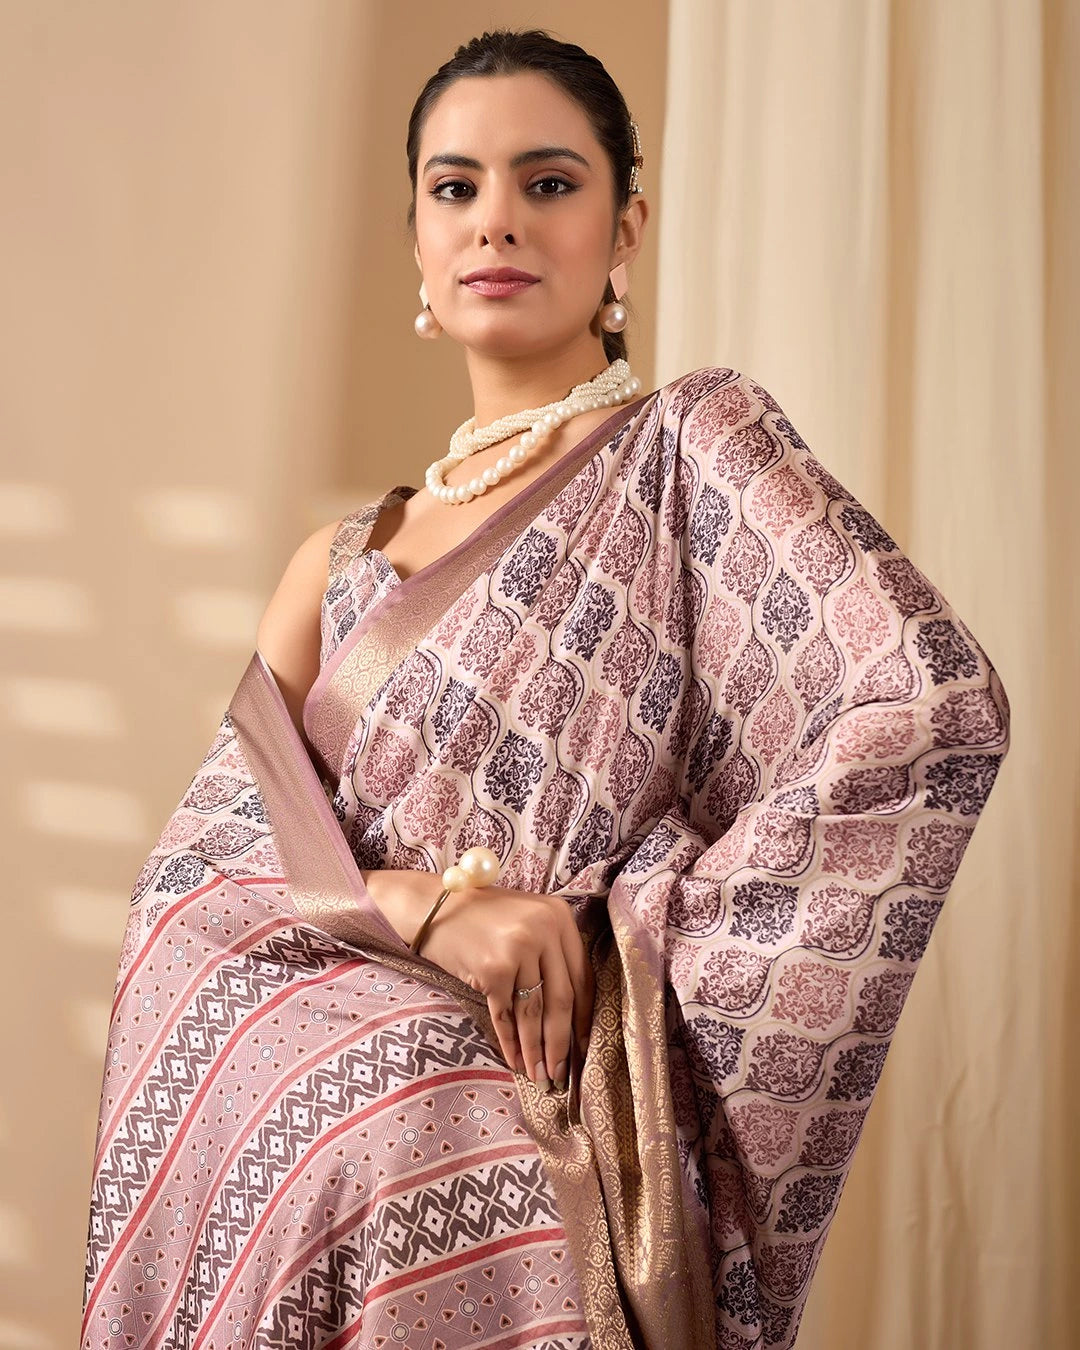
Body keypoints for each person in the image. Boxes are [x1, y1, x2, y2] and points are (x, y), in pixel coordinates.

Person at [81, 27, 1011, 1350]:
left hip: (511, 1168)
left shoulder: (692, 450)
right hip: (304, 1177)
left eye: (550, 182)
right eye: (455, 188)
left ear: (625, 226)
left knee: (429, 1105)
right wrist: (429, 910)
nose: (496, 220)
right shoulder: (334, 566)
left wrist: (616, 944)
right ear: (413, 233)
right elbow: (190, 888)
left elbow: (931, 707)